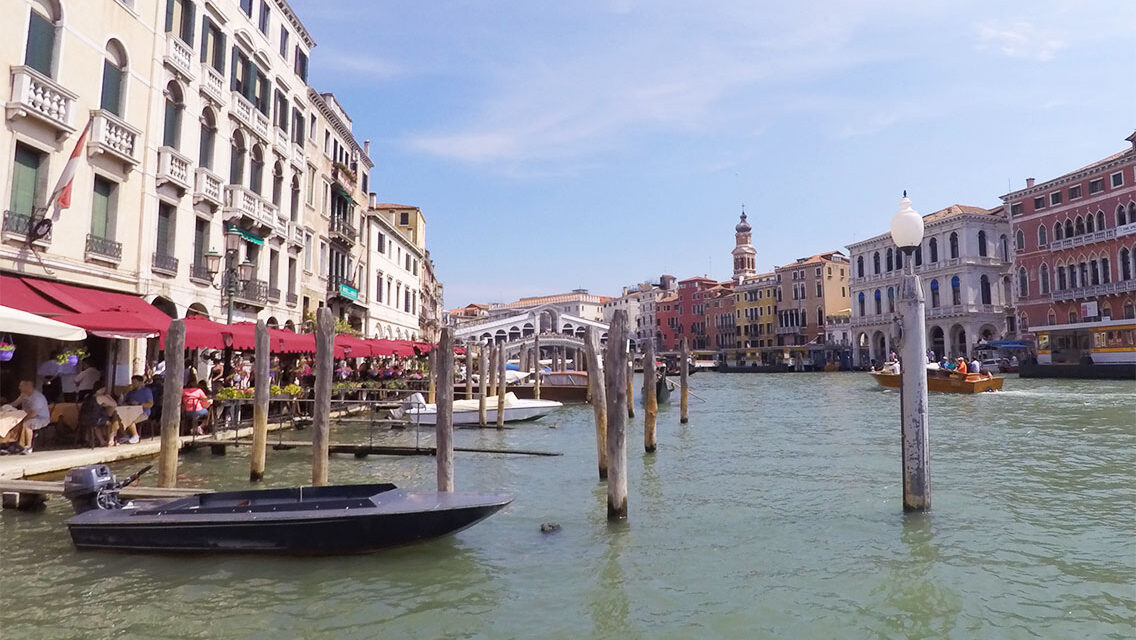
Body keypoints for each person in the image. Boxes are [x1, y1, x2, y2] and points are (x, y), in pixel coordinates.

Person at [1, 380, 50, 454]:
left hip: (40, 418)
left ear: (28, 386)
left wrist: (22, 420)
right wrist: (4, 408)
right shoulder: (23, 394)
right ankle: (9, 444)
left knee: (27, 424)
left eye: (21, 386)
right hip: (26, 415)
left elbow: (33, 413)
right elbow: (15, 403)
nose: (19, 387)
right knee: (12, 422)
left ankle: (28, 447)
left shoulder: (37, 397)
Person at [113, 375, 152, 444]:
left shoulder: (146, 391)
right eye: (132, 382)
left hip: (143, 412)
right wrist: (124, 394)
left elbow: (150, 404)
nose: (133, 384)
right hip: (130, 410)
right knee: (119, 417)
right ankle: (125, 435)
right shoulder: (131, 392)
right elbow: (123, 401)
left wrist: (139, 403)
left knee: (130, 418)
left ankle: (135, 435)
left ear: (140, 382)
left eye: (135, 382)